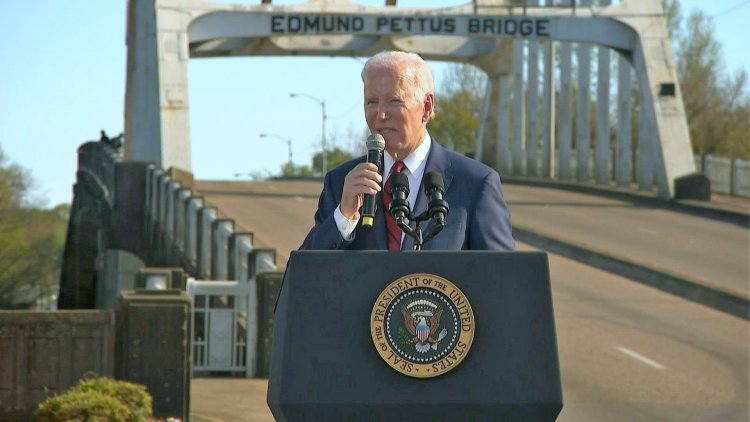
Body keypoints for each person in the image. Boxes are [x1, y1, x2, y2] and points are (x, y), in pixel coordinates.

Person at [300, 51, 515, 251]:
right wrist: (344, 217)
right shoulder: (340, 183)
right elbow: (307, 274)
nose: (381, 114)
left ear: (427, 106)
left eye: (394, 101)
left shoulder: (476, 184)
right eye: (371, 102)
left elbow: (501, 279)